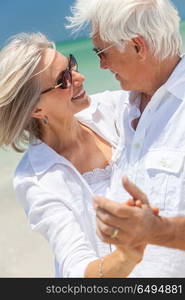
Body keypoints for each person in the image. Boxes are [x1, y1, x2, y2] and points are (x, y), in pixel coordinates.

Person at [0, 32, 148, 278]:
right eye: (63, 80)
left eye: (71, 65)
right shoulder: (35, 180)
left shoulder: (113, 110)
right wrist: (127, 256)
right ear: (35, 108)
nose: (80, 77)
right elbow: (75, 270)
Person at [67, 0, 185, 277]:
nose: (100, 65)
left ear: (137, 46)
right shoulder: (121, 108)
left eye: (101, 52)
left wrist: (159, 231)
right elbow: (51, 108)